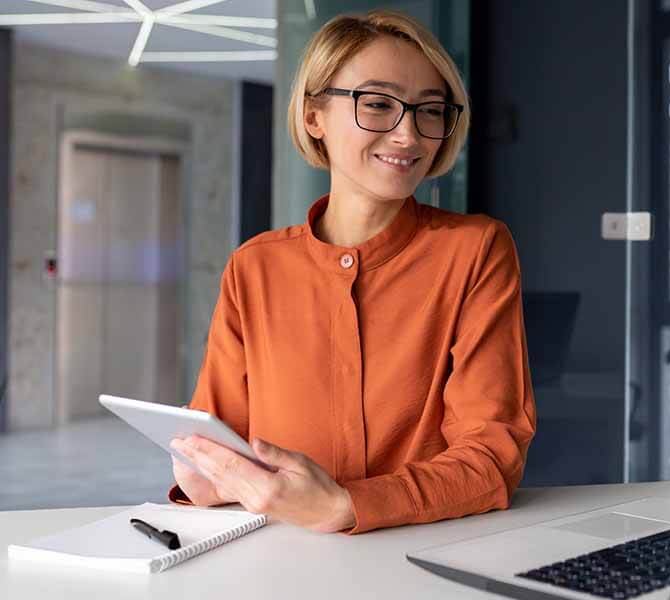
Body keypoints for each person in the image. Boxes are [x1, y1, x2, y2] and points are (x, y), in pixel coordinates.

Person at [167, 10, 536, 535]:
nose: (409, 134)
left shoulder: (476, 251)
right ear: (315, 116)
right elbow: (219, 441)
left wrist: (346, 506)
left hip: (427, 554)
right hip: (276, 560)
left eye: (430, 110)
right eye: (380, 104)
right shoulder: (254, 267)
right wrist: (203, 476)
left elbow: (491, 457)